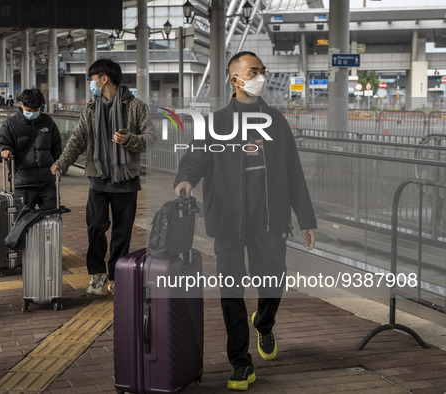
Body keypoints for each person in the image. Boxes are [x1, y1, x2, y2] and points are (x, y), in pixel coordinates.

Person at [173, 51, 317, 391]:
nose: (260, 76)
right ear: (235, 78)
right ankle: (240, 361)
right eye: (254, 71)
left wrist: (306, 218)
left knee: (274, 282)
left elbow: (294, 173)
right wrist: (185, 180)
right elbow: (195, 158)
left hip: (269, 222)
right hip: (228, 223)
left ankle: (264, 324)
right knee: (231, 291)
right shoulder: (217, 123)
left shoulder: (276, 122)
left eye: (262, 71)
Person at [51, 58, 154, 296]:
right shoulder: (91, 109)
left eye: (92, 79)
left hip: (126, 181)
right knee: (96, 227)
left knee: (122, 232)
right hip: (98, 178)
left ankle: (118, 276)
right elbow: (77, 139)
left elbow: (151, 138)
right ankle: (97, 274)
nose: (91, 84)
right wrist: (62, 163)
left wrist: (131, 140)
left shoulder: (136, 106)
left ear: (103, 78)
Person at [0, 88, 63, 211]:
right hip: (22, 184)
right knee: (22, 221)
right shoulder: (10, 125)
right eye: (29, 110)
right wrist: (2, 151)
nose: (33, 113)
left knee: (52, 219)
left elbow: (57, 147)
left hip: (47, 182)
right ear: (21, 105)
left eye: (36, 110)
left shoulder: (47, 122)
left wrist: (59, 164)